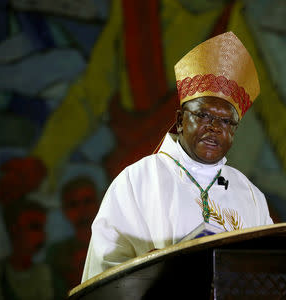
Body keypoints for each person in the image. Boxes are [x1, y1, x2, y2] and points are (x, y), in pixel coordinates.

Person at [82, 31, 273, 282]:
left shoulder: (250, 196)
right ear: (180, 121)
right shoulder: (137, 181)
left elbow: (269, 270)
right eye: (203, 116)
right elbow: (103, 272)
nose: (215, 127)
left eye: (226, 121)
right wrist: (153, 268)